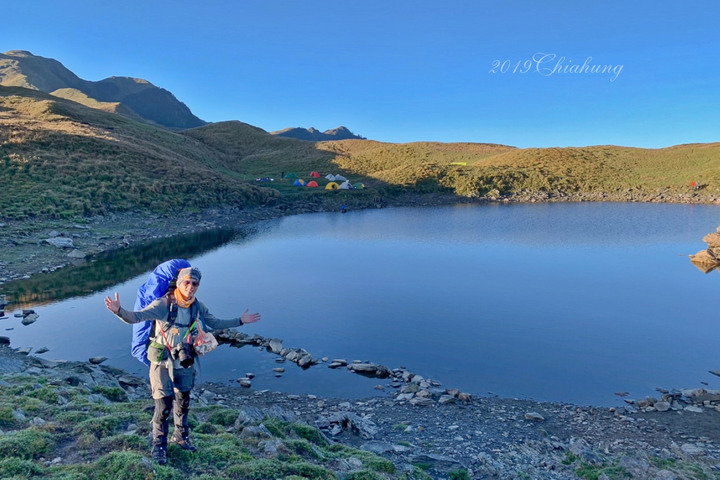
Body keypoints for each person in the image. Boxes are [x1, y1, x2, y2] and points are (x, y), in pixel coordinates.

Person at [104, 266, 261, 465]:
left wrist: (239, 320)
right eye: (186, 282)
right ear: (179, 283)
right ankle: (159, 446)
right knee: (163, 406)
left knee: (183, 402)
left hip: (184, 360)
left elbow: (213, 322)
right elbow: (137, 317)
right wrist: (119, 311)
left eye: (194, 283)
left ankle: (181, 437)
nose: (190, 287)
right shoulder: (163, 304)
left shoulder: (196, 306)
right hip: (161, 361)